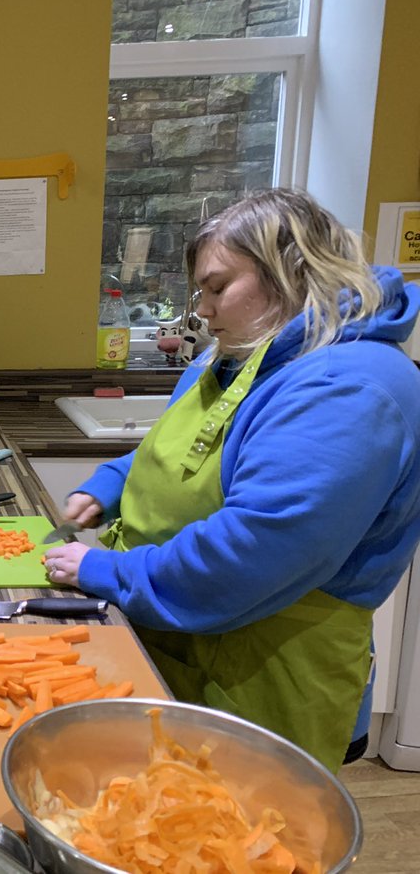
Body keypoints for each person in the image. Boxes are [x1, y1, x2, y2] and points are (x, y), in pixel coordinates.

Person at [42, 188, 420, 773]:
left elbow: (251, 551)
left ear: (292, 271)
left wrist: (105, 571)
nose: (203, 310)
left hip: (266, 673)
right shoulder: (238, 355)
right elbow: (176, 450)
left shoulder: (347, 388)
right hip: (180, 636)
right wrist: (110, 484)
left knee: (241, 821)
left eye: (217, 288)